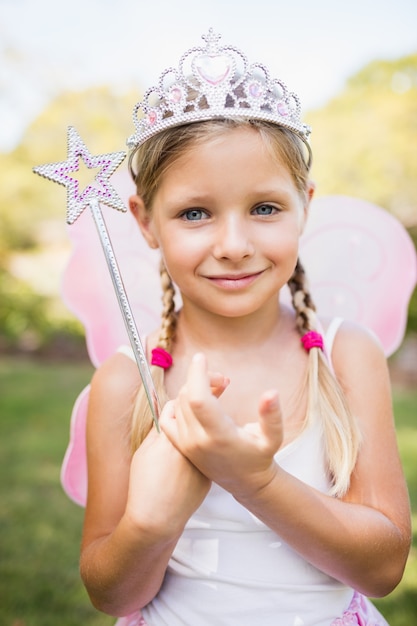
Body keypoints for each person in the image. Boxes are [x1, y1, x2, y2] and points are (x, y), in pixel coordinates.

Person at [79, 30, 411, 626]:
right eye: (195, 213)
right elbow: (111, 593)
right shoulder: (127, 382)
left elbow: (384, 570)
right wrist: (151, 523)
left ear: (305, 206)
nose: (233, 246)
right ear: (145, 221)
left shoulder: (344, 355)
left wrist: (256, 481)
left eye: (264, 208)